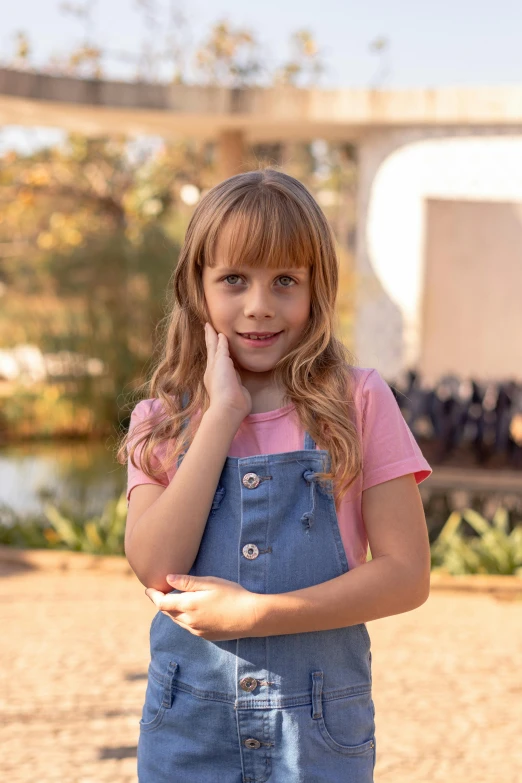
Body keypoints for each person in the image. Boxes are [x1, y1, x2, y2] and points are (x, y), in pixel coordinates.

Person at [119, 168, 433, 783]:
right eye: (234, 279)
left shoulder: (360, 401)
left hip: (315, 737)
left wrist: (260, 614)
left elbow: (407, 576)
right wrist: (221, 415)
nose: (259, 306)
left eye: (285, 281)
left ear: (317, 290)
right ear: (196, 287)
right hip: (188, 734)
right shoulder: (160, 421)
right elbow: (154, 567)